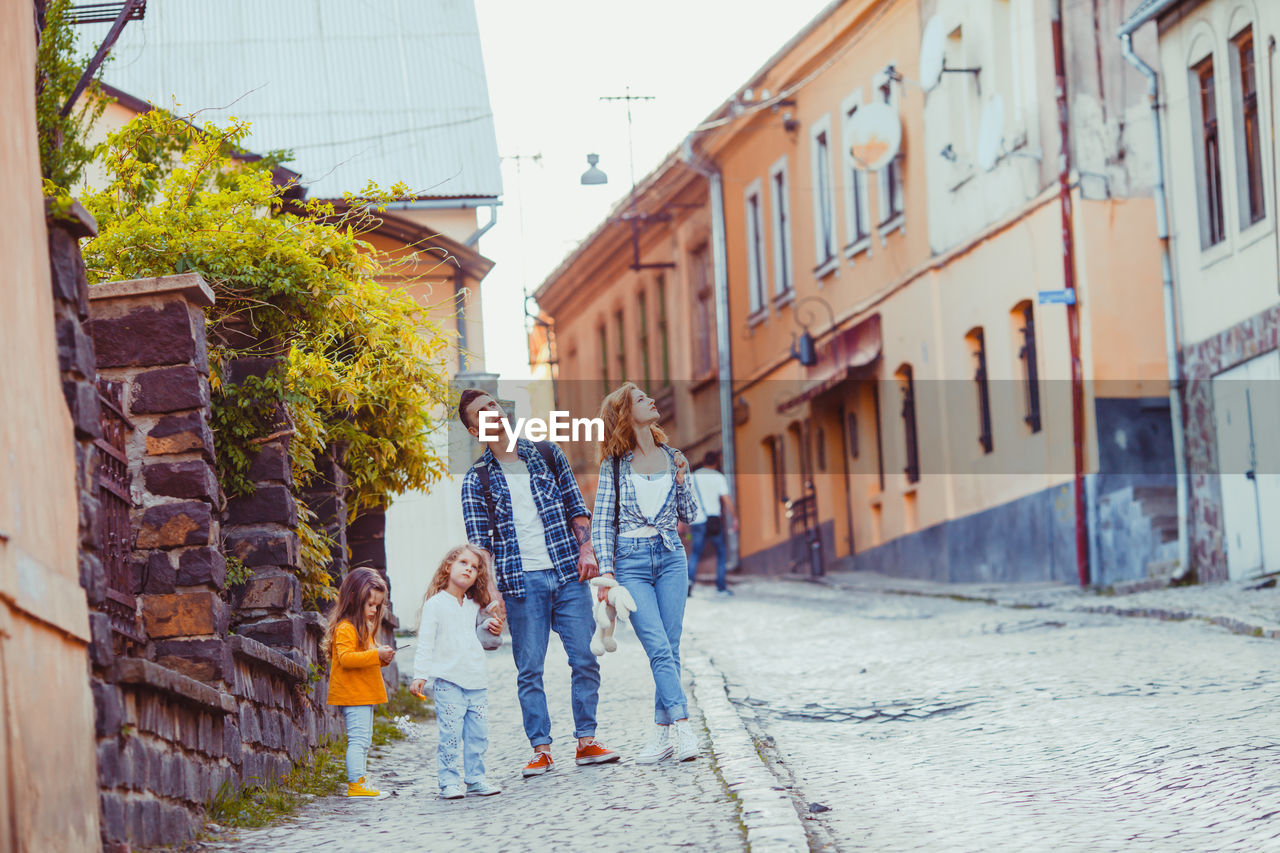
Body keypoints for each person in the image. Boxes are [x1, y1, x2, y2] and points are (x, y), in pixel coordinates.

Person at [457, 389, 620, 777]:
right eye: (482, 411)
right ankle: (541, 749)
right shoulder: (476, 480)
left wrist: (587, 551)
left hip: (566, 572)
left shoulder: (547, 453)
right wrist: (490, 596)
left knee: (585, 657)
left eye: (494, 404)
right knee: (529, 668)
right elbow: (480, 550)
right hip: (520, 582)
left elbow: (576, 508)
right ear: (473, 428)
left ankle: (586, 741)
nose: (492, 411)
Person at [591, 382, 701, 764]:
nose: (652, 400)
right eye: (641, 399)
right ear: (626, 414)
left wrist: (684, 479)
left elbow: (690, 514)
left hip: (671, 557)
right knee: (657, 646)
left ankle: (661, 735)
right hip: (631, 564)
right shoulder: (614, 466)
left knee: (669, 648)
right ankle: (684, 728)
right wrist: (607, 576)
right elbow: (602, 522)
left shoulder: (673, 457)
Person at [410, 544, 504, 800]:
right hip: (448, 682)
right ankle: (448, 782)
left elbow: (485, 639)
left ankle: (475, 779)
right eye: (463, 563)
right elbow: (426, 643)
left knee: (478, 735)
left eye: (474, 568)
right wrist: (420, 675)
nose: (469, 569)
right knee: (450, 735)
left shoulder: (476, 606)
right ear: (448, 566)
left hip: (477, 681)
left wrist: (491, 627)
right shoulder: (435, 605)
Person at [324, 566, 396, 799]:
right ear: (354, 599)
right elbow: (345, 659)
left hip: (361, 694)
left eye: (377, 605)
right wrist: (376, 655)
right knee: (358, 740)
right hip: (353, 695)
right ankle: (356, 784)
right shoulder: (346, 628)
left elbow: (364, 659)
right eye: (370, 605)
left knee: (363, 741)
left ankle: (361, 780)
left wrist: (381, 657)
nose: (374, 610)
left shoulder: (362, 628)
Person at [686, 450, 740, 597]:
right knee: (721, 552)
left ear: (704, 461)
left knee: (695, 553)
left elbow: (684, 498)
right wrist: (735, 518)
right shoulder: (718, 477)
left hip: (697, 520)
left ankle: (689, 583)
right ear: (716, 462)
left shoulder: (693, 476)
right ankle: (721, 587)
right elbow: (726, 499)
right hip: (713, 521)